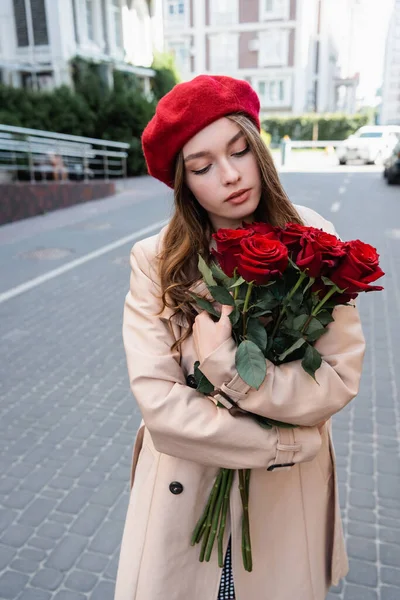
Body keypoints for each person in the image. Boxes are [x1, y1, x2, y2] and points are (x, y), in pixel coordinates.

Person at [114, 75, 365, 600]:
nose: (229, 176)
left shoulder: (316, 241)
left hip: (282, 496)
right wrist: (279, 442)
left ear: (259, 148)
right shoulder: (157, 261)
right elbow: (160, 405)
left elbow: (338, 379)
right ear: (184, 182)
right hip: (190, 489)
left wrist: (231, 368)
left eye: (239, 151)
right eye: (203, 167)